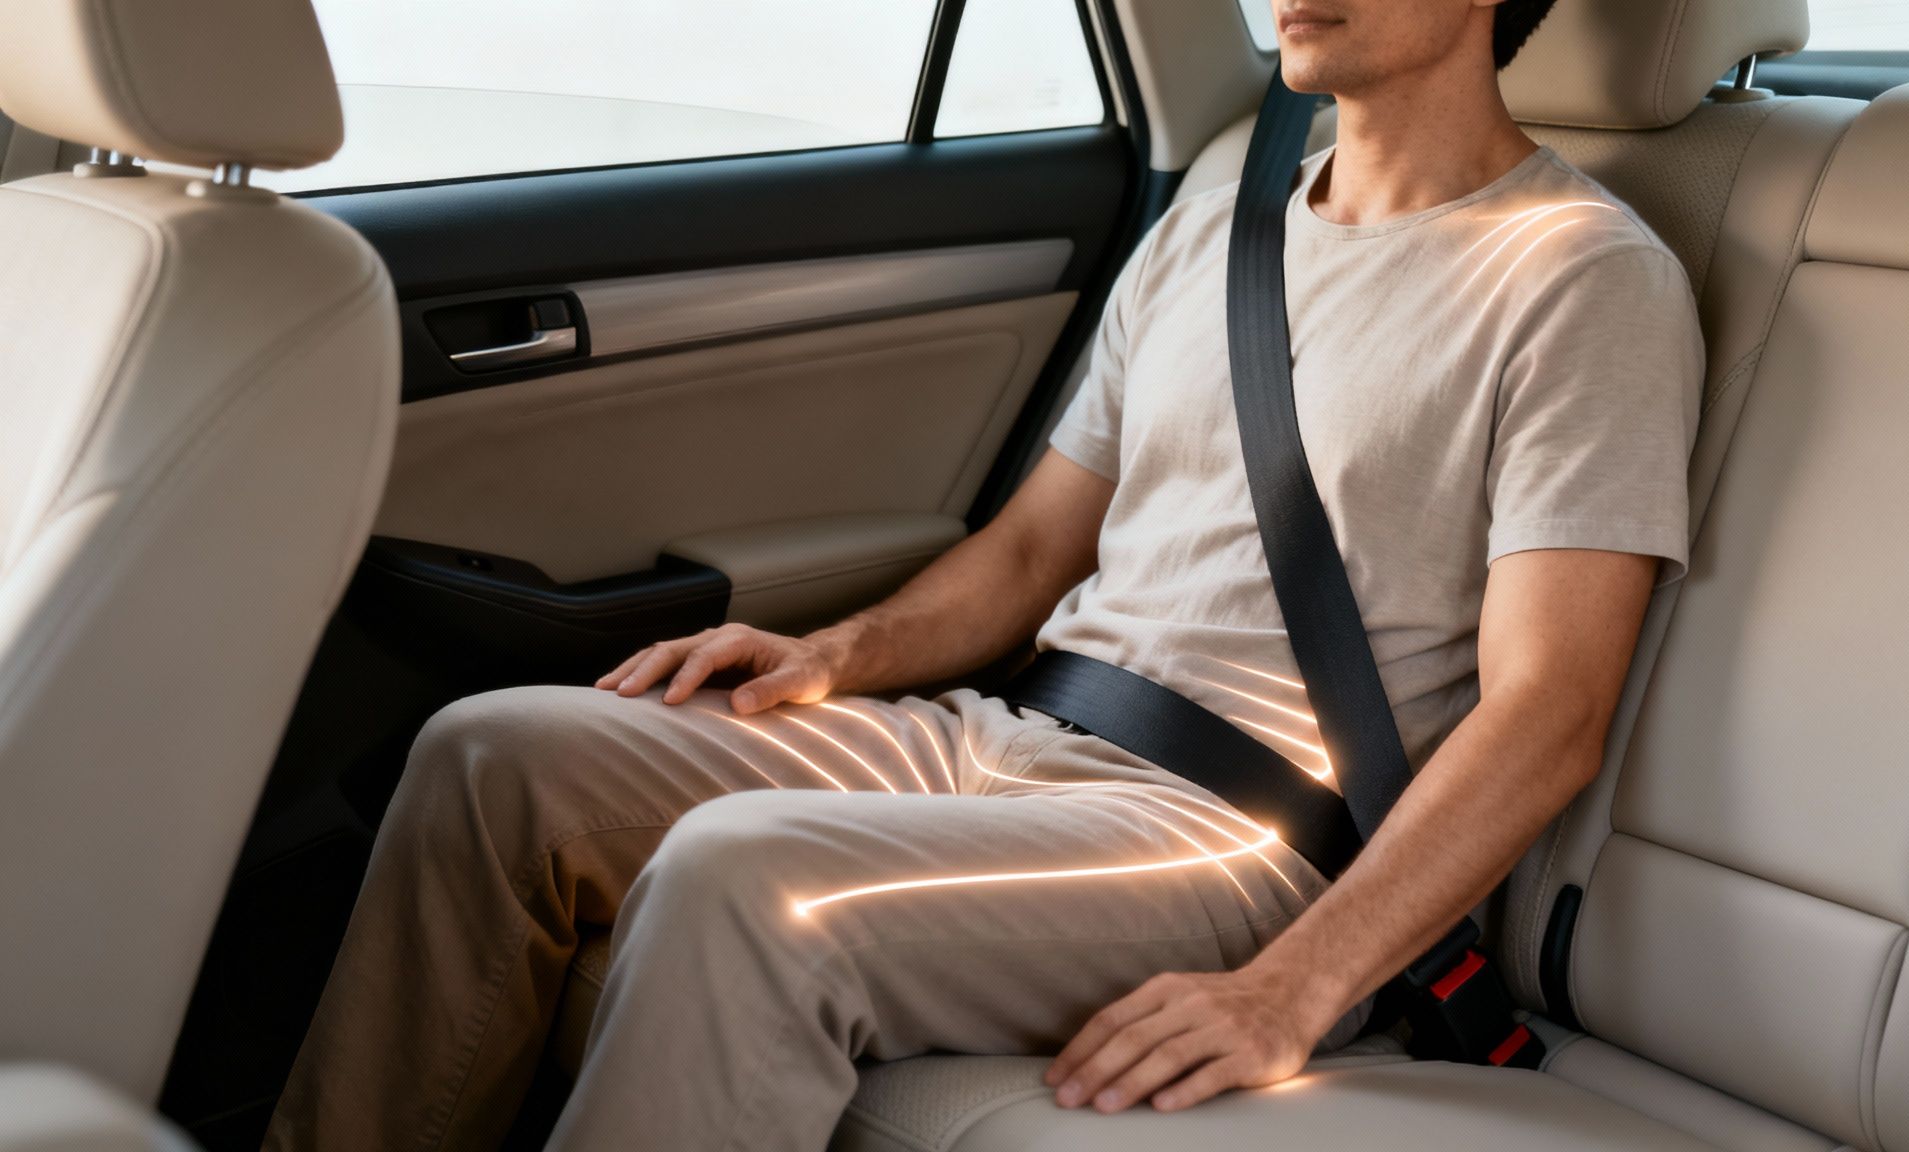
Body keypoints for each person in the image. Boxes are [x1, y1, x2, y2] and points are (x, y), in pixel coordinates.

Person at [266, 0, 1704, 1147]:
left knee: (750, 888)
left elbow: (1547, 711)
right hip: (1004, 735)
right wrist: (833, 656)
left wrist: (1294, 987)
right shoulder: (1225, 201)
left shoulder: (1582, 279)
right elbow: (1027, 550)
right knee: (494, 755)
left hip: (1232, 835)